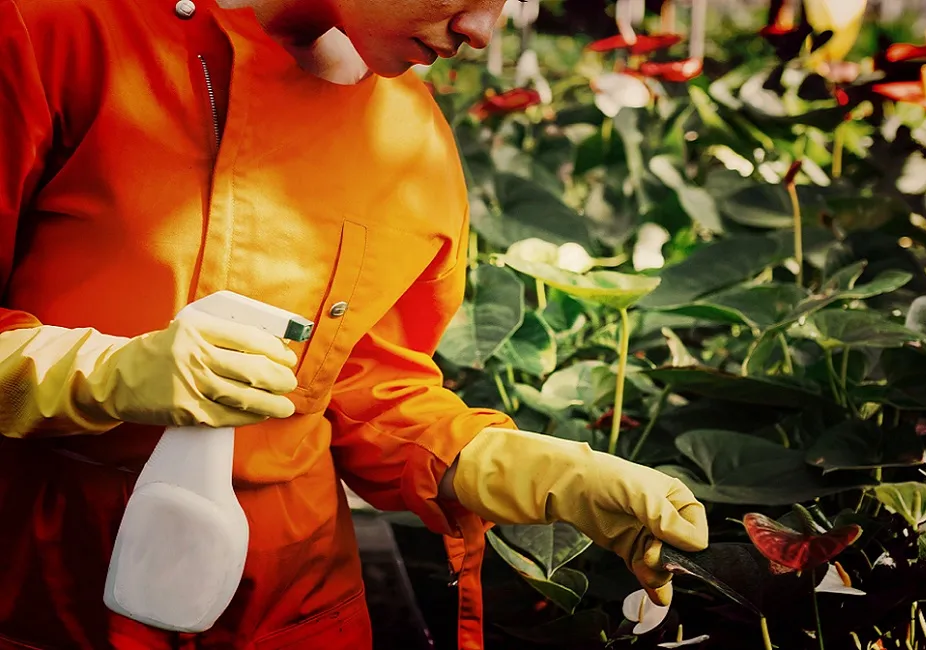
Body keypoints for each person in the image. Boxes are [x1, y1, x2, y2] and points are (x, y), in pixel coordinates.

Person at [0, 0, 709, 648]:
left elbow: (368, 387)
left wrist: (521, 467)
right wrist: (95, 375)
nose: (480, 32)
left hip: (298, 607)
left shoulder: (412, 137)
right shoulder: (56, 31)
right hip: (48, 588)